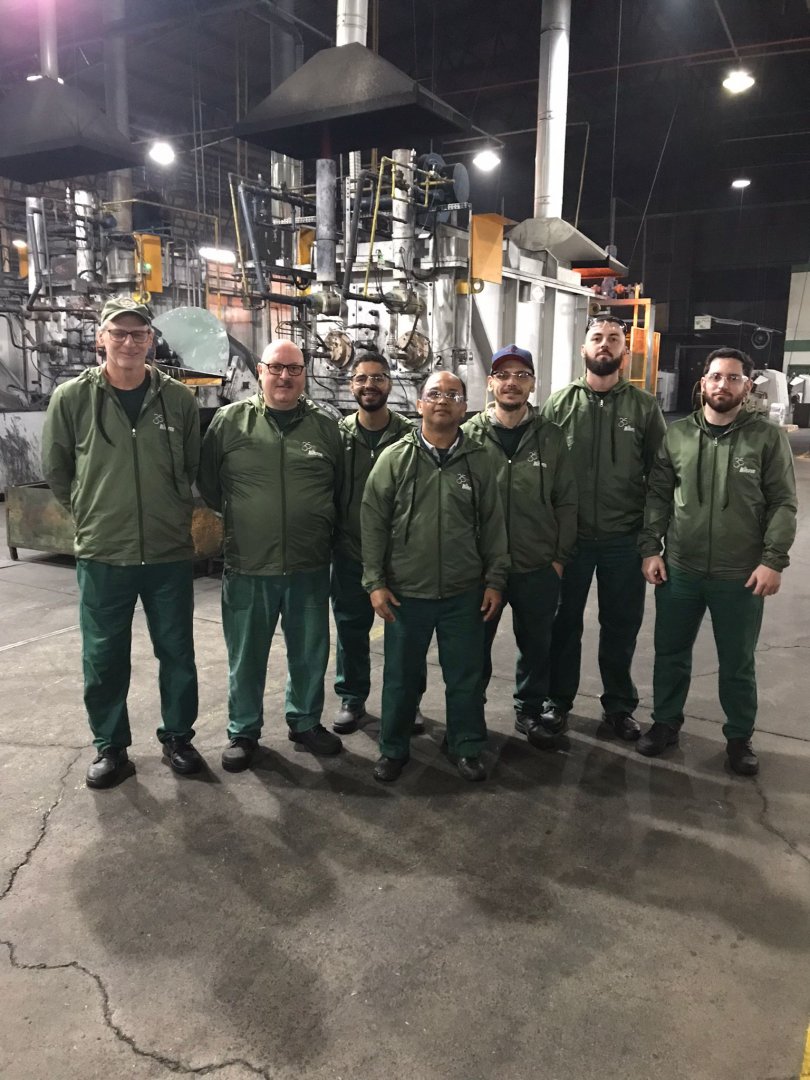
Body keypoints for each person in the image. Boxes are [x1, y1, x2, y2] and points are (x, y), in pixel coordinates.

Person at [41, 296, 201, 788]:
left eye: (138, 334)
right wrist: (93, 513)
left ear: (150, 340)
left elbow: (190, 465)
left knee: (177, 651)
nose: (128, 342)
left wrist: (170, 511)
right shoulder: (71, 398)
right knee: (104, 656)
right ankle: (111, 747)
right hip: (104, 552)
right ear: (101, 338)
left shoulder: (179, 399)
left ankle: (178, 737)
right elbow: (57, 471)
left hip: (168, 551)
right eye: (119, 333)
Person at [637, 347, 797, 775]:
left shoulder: (766, 438)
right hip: (681, 570)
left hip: (740, 575)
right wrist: (651, 548)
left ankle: (739, 737)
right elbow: (658, 495)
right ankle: (665, 722)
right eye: (715, 376)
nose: (722, 384)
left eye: (733, 377)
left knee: (737, 661)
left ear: (747, 386)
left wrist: (773, 560)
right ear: (702, 383)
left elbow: (783, 503)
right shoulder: (678, 435)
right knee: (670, 653)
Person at [198, 340, 344, 771]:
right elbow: (210, 485)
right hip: (249, 564)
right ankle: (243, 731)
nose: (285, 376)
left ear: (304, 374)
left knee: (310, 652)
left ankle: (305, 722)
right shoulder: (229, 422)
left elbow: (340, 488)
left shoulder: (326, 427)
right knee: (246, 655)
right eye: (276, 368)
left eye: (294, 369)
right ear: (260, 371)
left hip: (309, 563)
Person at [361, 370, 509, 783]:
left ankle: (467, 746)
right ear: (419, 404)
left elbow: (494, 524)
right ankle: (393, 749)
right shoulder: (395, 459)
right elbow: (372, 522)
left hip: (464, 592)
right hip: (407, 593)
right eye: (434, 394)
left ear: (465, 408)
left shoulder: (480, 460)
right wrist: (375, 582)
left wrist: (495, 580)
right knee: (401, 678)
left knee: (465, 678)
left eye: (453, 395)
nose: (443, 400)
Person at [540, 313, 667, 742]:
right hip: (569, 540)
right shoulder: (559, 404)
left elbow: (659, 478)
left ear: (624, 353)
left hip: (622, 538)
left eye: (614, 338)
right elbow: (543, 475)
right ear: (584, 348)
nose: (605, 344)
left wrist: (649, 542)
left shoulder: (643, 408)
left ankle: (619, 706)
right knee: (562, 623)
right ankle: (557, 701)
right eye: (597, 337)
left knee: (621, 626)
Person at [463, 344, 578, 747]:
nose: (511, 383)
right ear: (490, 383)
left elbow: (566, 501)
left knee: (536, 646)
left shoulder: (551, 436)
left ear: (532, 384)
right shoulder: (469, 435)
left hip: (536, 565)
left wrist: (558, 559)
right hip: (482, 569)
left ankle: (528, 710)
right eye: (503, 375)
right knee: (473, 647)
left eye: (521, 375)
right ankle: (468, 715)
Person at [331, 350, 420, 734]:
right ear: (351, 385)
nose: (370, 384)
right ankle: (352, 698)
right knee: (351, 630)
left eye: (378, 377)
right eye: (362, 378)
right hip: (350, 552)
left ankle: (408, 703)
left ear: (390, 382)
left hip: (400, 558)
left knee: (405, 635)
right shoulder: (338, 436)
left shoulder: (409, 436)